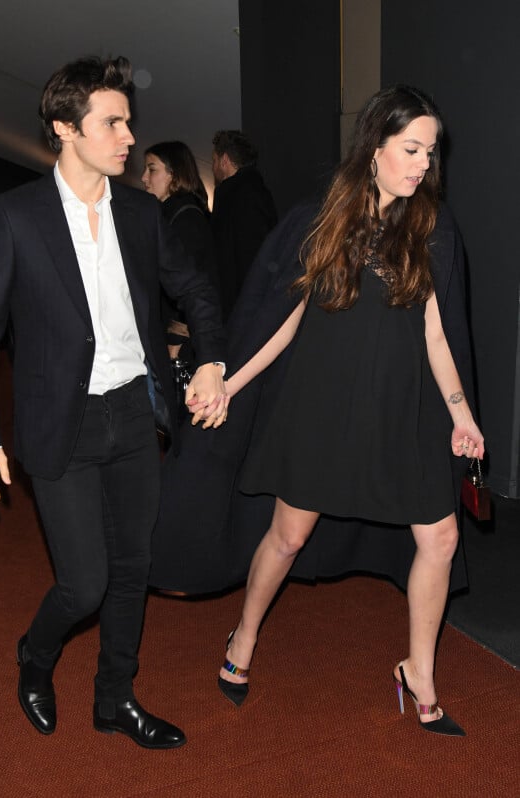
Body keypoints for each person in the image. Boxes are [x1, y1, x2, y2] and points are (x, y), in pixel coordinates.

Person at [0, 55, 228, 751]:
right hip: (61, 422)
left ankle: (116, 699)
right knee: (83, 584)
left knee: (134, 571)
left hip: (135, 414)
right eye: (112, 123)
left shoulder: (141, 212)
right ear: (64, 129)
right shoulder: (14, 217)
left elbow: (194, 287)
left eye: (129, 123)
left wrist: (214, 358)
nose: (128, 137)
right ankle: (36, 655)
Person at [212, 85, 483, 736]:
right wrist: (231, 382)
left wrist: (462, 414)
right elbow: (284, 318)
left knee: (441, 538)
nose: (423, 164)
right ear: (375, 147)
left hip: (405, 408)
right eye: (412, 149)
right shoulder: (325, 217)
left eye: (431, 152)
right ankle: (243, 635)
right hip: (325, 406)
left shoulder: (430, 226)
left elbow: (436, 335)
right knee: (289, 536)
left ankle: (418, 671)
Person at [141, 141, 218, 363]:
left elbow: (193, 283)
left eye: (152, 169)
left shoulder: (186, 219)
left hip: (181, 344)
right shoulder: (171, 216)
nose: (144, 177)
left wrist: (175, 340)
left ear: (174, 175)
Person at [211, 130, 277, 319]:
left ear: (224, 160)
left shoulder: (236, 195)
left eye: (214, 160)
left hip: (241, 307)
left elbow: (242, 257)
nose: (213, 167)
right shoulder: (256, 190)